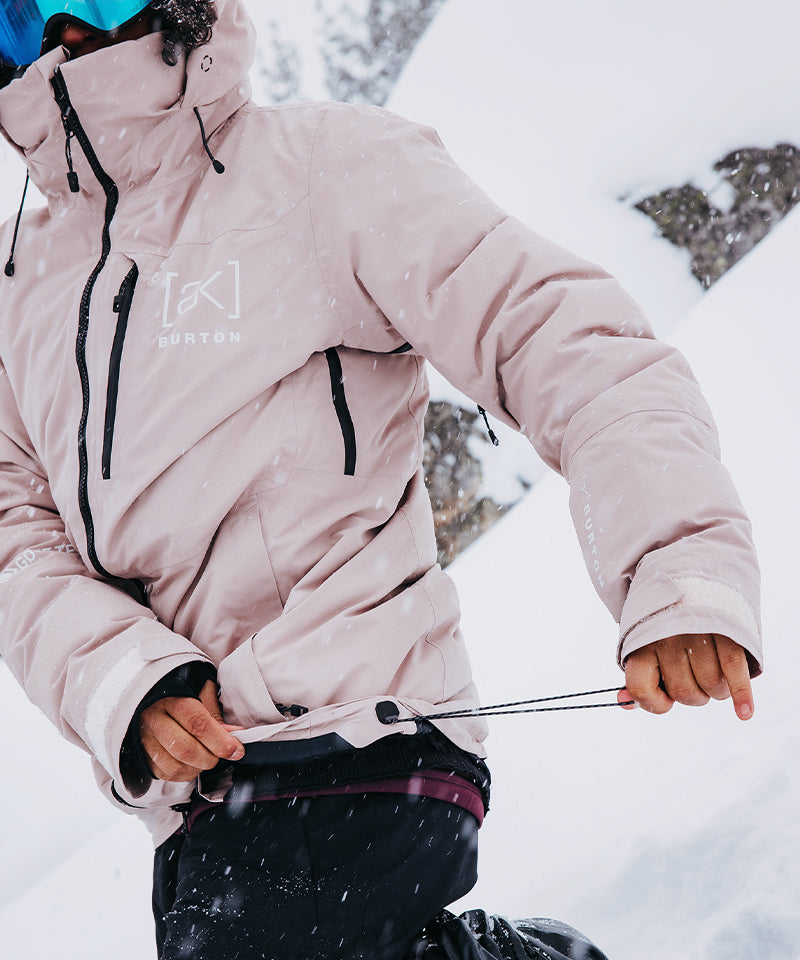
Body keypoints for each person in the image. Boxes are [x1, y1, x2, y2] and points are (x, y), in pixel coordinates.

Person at [0, 0, 761, 957]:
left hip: (366, 734)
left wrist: (679, 566)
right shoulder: (22, 292)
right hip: (197, 802)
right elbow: (17, 542)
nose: (65, 32)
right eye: (20, 14)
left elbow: (558, 337)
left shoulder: (319, 169)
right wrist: (128, 683)